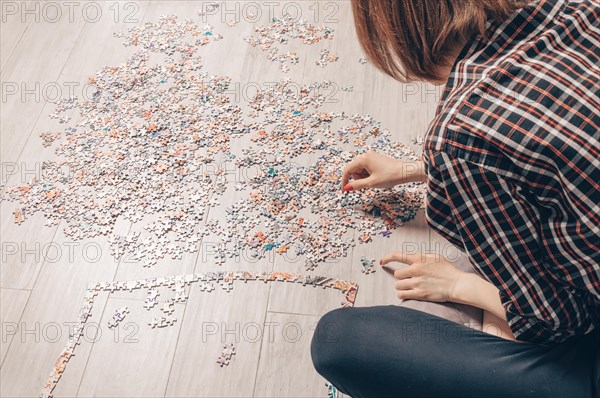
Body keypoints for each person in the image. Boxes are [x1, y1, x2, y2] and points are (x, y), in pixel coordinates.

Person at [310, 0, 600, 397]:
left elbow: (557, 321)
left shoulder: (459, 136)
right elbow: (566, 144)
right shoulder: (577, 10)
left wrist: (458, 286)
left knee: (339, 342)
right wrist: (416, 167)